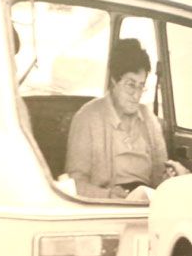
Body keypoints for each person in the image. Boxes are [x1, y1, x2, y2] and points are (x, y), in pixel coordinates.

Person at [65, 38, 167, 199]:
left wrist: (167, 177)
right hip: (107, 208)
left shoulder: (149, 119)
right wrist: (107, 195)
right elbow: (74, 185)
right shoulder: (87, 118)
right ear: (114, 80)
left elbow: (159, 175)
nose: (137, 94)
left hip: (145, 204)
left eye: (142, 86)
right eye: (130, 85)